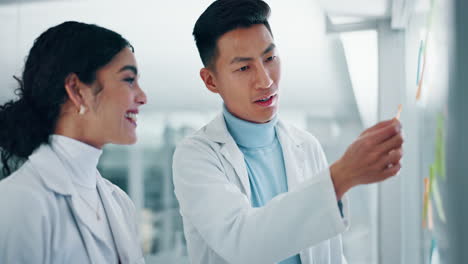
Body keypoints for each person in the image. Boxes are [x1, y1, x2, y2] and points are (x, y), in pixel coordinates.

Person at [172, 1, 404, 264]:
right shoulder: (196, 156)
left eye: (269, 58)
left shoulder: (305, 145)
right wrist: (342, 176)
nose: (266, 81)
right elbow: (242, 242)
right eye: (244, 68)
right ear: (210, 80)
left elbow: (330, 254)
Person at [0, 21, 147, 264]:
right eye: (128, 80)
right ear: (77, 90)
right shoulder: (18, 202)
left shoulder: (120, 204)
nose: (142, 96)